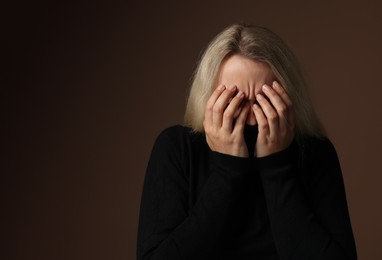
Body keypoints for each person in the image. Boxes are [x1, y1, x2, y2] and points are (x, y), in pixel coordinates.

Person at [136, 23, 357, 260]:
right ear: (209, 97)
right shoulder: (176, 148)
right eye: (234, 101)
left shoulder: (316, 153)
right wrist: (227, 169)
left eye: (264, 101)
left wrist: (277, 166)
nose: (251, 118)